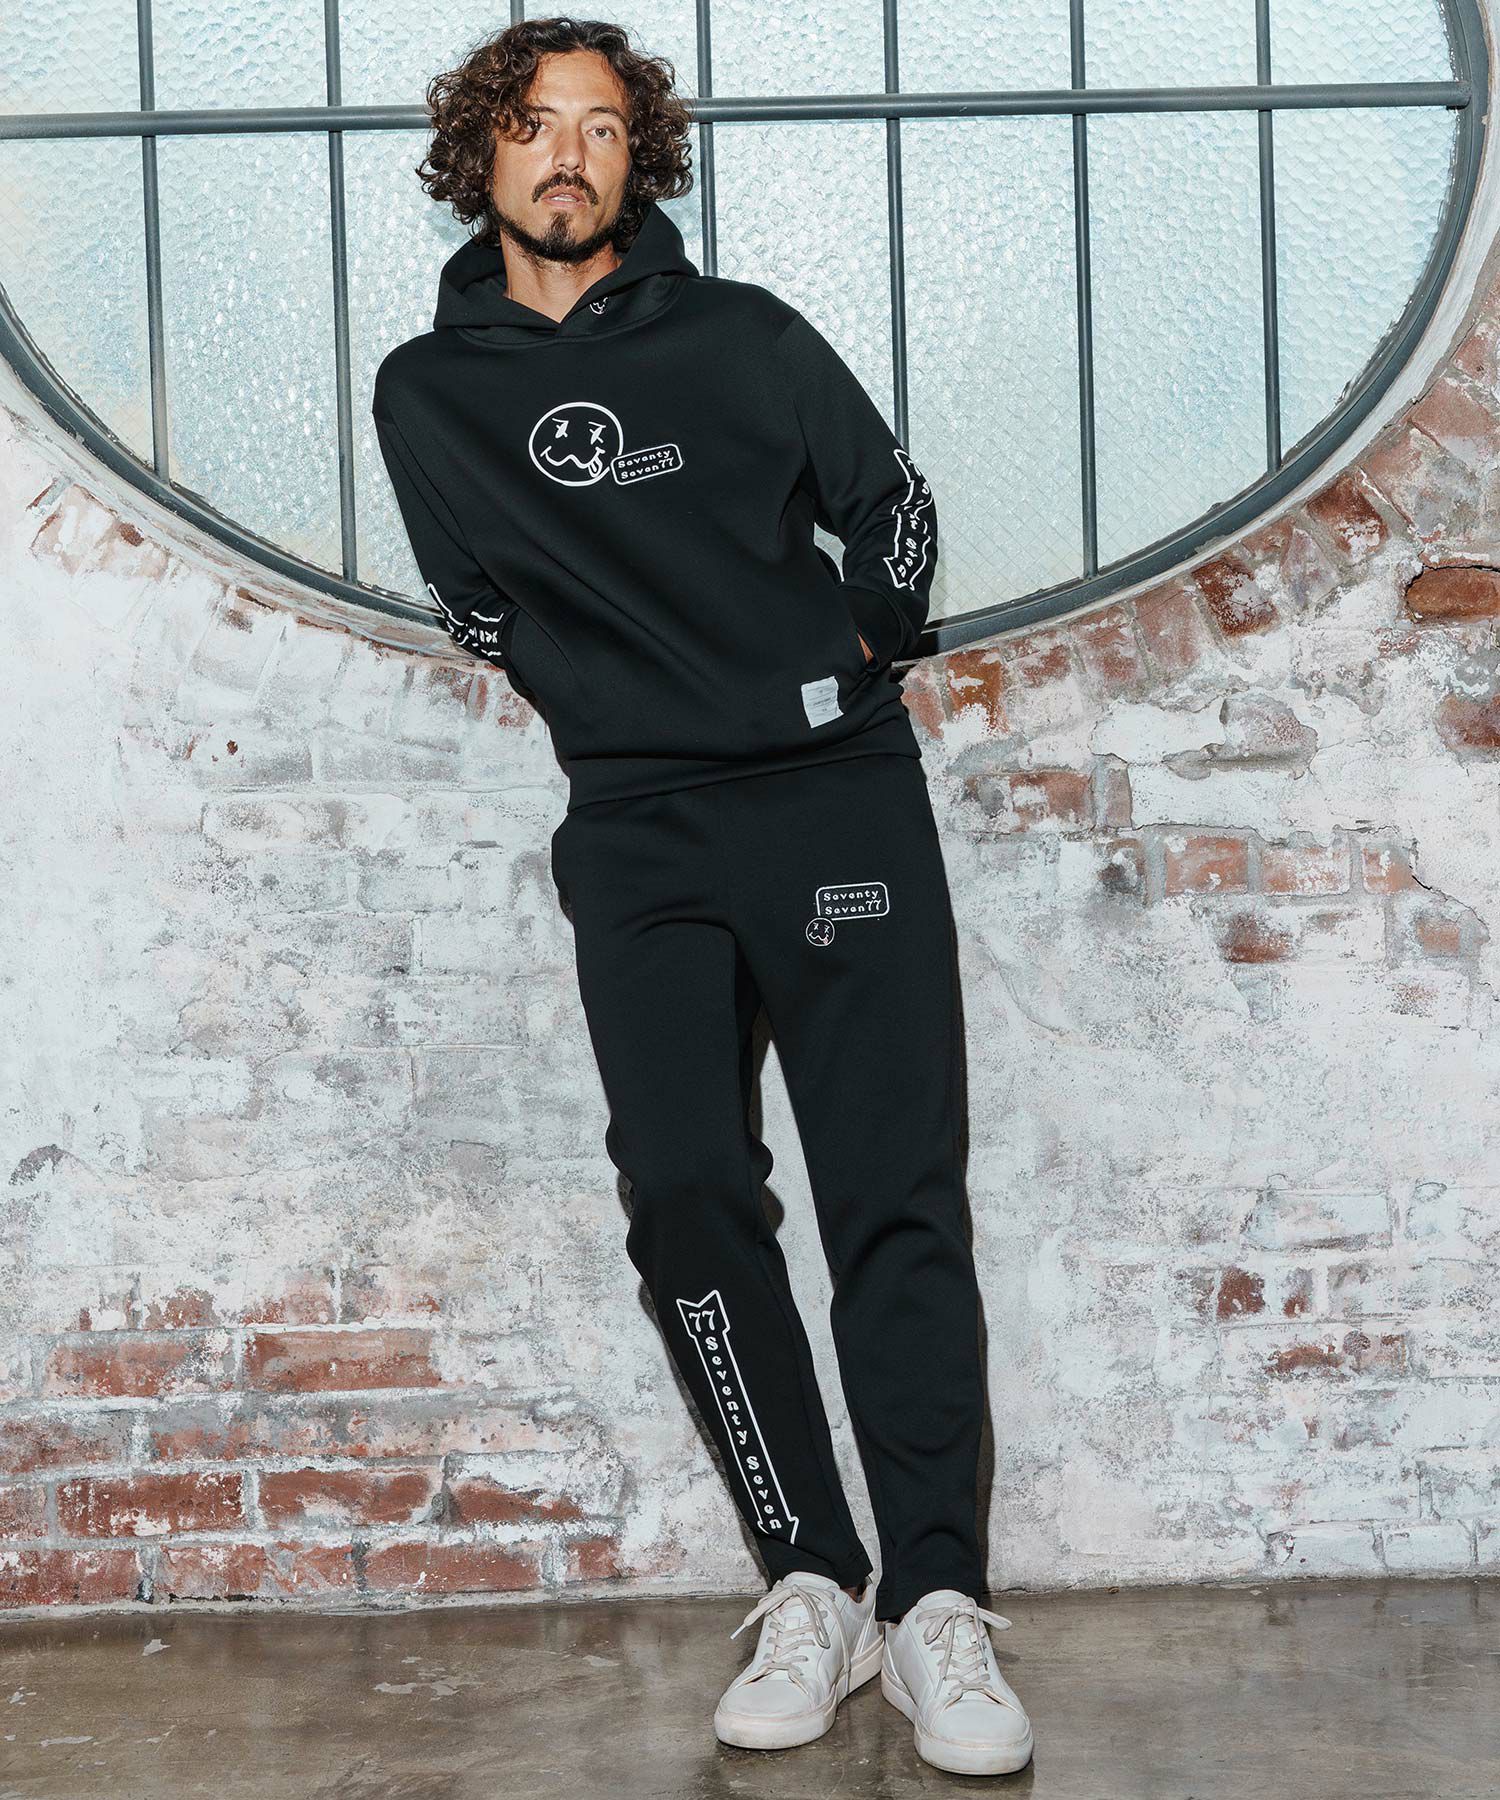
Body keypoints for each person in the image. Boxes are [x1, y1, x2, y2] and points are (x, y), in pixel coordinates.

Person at [371, 13, 1033, 1778]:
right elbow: (477, 604)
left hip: (832, 802)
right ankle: (813, 1576)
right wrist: (616, 702)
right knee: (683, 1197)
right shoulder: (425, 391)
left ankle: (939, 1602)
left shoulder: (744, 336)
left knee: (893, 1196)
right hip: (637, 827)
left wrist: (853, 654)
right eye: (535, 124)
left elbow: (891, 506)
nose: (568, 154)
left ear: (639, 157)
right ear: (481, 153)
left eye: (602, 127)